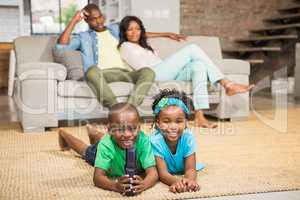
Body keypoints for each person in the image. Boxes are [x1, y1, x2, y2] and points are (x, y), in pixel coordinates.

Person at [118, 16, 255, 128]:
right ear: (124, 32)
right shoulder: (125, 46)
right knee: (192, 49)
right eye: (130, 29)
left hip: (166, 72)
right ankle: (227, 84)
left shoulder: (142, 44)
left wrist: (165, 34)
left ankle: (199, 116)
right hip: (153, 74)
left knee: (199, 66)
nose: (134, 32)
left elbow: (141, 34)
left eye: (137, 29)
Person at [56, 4, 185, 108]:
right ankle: (116, 109)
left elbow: (137, 34)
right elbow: (61, 46)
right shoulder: (83, 37)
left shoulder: (115, 29)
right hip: (102, 74)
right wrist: (74, 20)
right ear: (86, 20)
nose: (99, 21)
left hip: (126, 73)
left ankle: (130, 109)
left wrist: (166, 34)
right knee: (91, 72)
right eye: (93, 19)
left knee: (148, 72)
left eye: (100, 17)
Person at [58, 103, 158, 195]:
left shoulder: (143, 140)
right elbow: (97, 178)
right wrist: (115, 186)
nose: (127, 134)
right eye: (120, 129)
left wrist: (144, 184)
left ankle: (93, 132)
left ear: (139, 128)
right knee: (86, 151)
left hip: (113, 140)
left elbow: (153, 173)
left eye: (132, 129)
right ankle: (64, 134)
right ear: (110, 130)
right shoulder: (106, 145)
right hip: (106, 149)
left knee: (115, 138)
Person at [150, 89, 204, 193]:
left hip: (182, 168)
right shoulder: (155, 141)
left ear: (185, 122)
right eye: (166, 121)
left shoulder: (188, 137)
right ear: (158, 123)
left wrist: (190, 181)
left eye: (178, 121)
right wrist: (177, 181)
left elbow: (190, 169)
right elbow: (162, 173)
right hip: (166, 171)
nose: (173, 127)